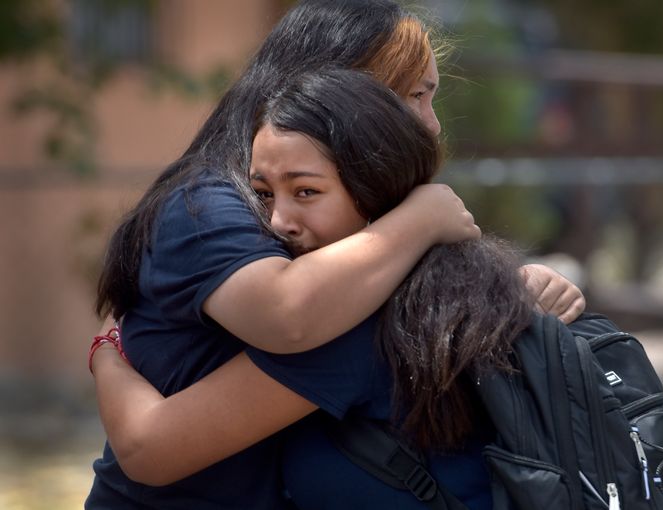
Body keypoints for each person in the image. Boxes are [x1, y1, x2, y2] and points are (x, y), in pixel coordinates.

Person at [87, 1, 585, 508]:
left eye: (305, 192)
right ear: (343, 99)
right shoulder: (209, 208)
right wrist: (425, 216)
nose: (431, 126)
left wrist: (512, 288)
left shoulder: (359, 294)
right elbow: (286, 312)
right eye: (414, 96)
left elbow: (149, 444)